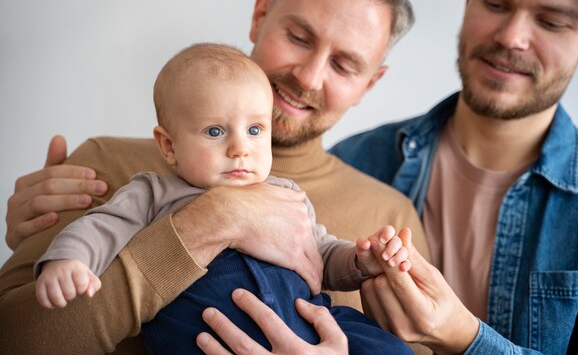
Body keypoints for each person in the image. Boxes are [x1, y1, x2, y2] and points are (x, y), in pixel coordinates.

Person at [0, 0, 431, 354]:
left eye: (343, 64)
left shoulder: (388, 217)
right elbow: (12, 340)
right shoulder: (106, 167)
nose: (309, 76)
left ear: (370, 83)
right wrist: (215, 219)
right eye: (299, 36)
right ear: (260, 16)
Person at [330, 0, 578, 354]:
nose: (511, 37)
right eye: (495, 3)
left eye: (551, 22)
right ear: (469, 0)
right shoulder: (354, 161)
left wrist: (464, 338)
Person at [34, 42, 414, 355]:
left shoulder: (287, 195)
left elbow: (323, 257)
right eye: (215, 131)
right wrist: (69, 260)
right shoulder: (152, 192)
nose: (239, 149)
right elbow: (101, 227)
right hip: (205, 341)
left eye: (254, 129)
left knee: (391, 350)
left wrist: (361, 260)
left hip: (310, 324)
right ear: (168, 145)